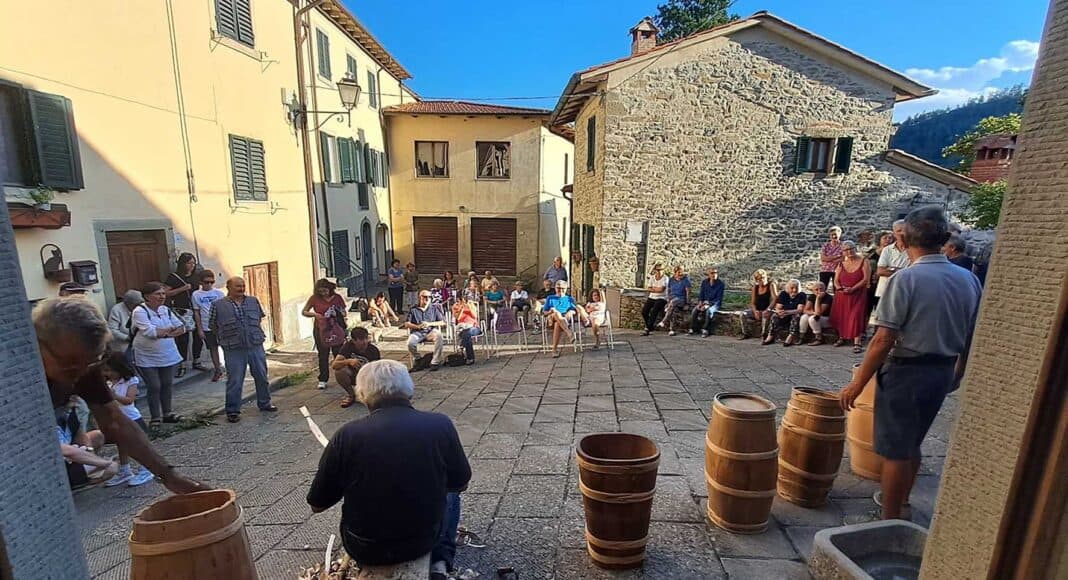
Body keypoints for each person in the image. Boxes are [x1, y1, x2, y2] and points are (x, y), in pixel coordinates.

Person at [840, 207, 982, 522]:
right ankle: (901, 498)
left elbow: (882, 339)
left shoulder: (905, 279)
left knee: (894, 451)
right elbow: (972, 333)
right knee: (913, 440)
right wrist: (959, 370)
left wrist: (857, 383)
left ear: (905, 241)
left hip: (907, 372)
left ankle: (889, 520)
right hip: (942, 371)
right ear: (944, 239)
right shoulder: (969, 279)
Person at [306, 360, 471, 579]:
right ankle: (440, 563)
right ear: (408, 390)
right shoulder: (440, 425)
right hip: (422, 541)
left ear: (362, 393)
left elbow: (317, 504)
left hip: (366, 546)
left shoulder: (347, 435)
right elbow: (461, 483)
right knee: (451, 495)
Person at [34, 297, 205, 494]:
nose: (80, 374)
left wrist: (169, 476)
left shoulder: (83, 366)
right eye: (70, 365)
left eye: (91, 363)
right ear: (38, 345)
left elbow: (114, 421)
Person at [209, 276, 278, 423]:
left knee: (261, 375)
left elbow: (259, 318)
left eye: (242, 286)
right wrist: (227, 337)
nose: (241, 289)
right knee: (235, 379)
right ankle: (233, 411)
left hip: (255, 345)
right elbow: (213, 325)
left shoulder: (253, 301)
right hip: (233, 348)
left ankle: (265, 403)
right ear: (228, 288)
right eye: (237, 286)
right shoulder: (218, 305)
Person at [131, 281, 185, 428]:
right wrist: (168, 331)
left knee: (167, 384)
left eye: (163, 293)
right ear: (147, 296)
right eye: (158, 294)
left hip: (167, 353)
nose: (162, 296)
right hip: (147, 355)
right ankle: (155, 417)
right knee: (154, 385)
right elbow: (150, 332)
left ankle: (167, 413)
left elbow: (181, 327)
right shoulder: (140, 311)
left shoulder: (165, 310)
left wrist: (165, 333)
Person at [101, 352, 155, 487]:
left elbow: (129, 400)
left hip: (131, 418)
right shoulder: (108, 382)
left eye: (109, 370)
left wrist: (114, 396)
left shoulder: (131, 381)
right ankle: (125, 470)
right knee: (121, 444)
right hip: (116, 418)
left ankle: (146, 469)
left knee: (138, 445)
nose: (107, 373)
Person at [303, 279, 348, 390]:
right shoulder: (314, 298)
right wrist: (315, 314)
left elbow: (344, 312)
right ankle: (323, 379)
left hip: (336, 328)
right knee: (323, 354)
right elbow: (304, 311)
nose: (323, 294)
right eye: (321, 291)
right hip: (321, 329)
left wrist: (336, 312)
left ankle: (343, 376)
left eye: (325, 291)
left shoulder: (337, 298)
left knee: (339, 353)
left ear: (330, 289)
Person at [831, 241, 872, 353]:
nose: (849, 251)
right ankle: (842, 337)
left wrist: (853, 288)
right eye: (846, 250)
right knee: (842, 315)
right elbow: (836, 280)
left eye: (851, 248)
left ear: (855, 248)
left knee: (856, 316)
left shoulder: (864, 261)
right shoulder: (841, 264)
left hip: (858, 294)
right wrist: (839, 288)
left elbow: (865, 279)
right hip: (842, 294)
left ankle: (857, 342)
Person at [330, 327, 381, 409]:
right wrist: (348, 361)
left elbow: (378, 370)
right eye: (360, 340)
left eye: (366, 339)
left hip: (369, 378)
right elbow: (334, 365)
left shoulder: (373, 350)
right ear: (353, 340)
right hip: (353, 375)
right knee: (339, 371)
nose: (364, 342)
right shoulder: (347, 347)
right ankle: (351, 395)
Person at [165, 252, 198, 378]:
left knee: (198, 336)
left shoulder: (196, 276)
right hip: (181, 310)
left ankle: (196, 360)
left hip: (195, 309)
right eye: (189, 263)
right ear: (182, 264)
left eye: (193, 263)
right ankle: (182, 364)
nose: (191, 266)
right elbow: (166, 293)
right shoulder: (173, 277)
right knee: (183, 339)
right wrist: (182, 289)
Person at [191, 270, 225, 382]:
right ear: (201, 282)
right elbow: (196, 312)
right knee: (213, 348)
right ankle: (217, 370)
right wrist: (200, 329)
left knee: (226, 347)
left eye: (212, 282)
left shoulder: (219, 294)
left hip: (220, 325)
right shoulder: (196, 295)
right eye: (207, 282)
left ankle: (229, 369)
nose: (210, 284)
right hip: (207, 326)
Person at [405, 290, 445, 372]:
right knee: (410, 343)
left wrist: (429, 324)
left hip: (430, 331)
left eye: (429, 297)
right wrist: (417, 326)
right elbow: (407, 324)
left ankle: (435, 361)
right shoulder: (413, 309)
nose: (427, 299)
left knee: (439, 336)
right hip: (417, 332)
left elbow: (442, 322)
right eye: (425, 297)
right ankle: (418, 358)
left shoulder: (434, 308)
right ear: (420, 298)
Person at [543, 280, 583, 358]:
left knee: (558, 323)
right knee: (556, 313)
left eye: (562, 288)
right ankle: (569, 333)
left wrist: (571, 312)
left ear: (566, 289)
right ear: (555, 288)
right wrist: (551, 311)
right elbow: (544, 312)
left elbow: (575, 310)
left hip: (564, 319)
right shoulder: (550, 298)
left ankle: (554, 350)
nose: (560, 290)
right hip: (551, 319)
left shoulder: (569, 299)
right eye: (558, 288)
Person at [763, 279, 806, 345]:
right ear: (788, 288)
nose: (794, 290)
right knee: (775, 315)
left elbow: (800, 310)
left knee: (796, 316)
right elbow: (778, 307)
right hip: (784, 314)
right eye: (792, 288)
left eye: (796, 288)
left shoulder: (802, 295)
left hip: (793, 314)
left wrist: (787, 312)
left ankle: (791, 336)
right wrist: (779, 312)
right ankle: (770, 336)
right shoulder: (784, 294)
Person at [875, 220, 910, 301]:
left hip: (905, 291)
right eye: (899, 231)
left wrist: (891, 269)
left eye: (904, 230)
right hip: (885, 290)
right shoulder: (887, 250)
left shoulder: (914, 249)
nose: (902, 233)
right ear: (894, 234)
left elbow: (914, 271)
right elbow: (880, 271)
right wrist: (904, 271)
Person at [739, 270, 777, 340]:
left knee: (765, 315)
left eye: (762, 278)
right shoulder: (755, 288)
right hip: (758, 309)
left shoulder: (771, 285)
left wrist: (768, 309)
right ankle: (745, 333)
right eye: (758, 279)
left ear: (766, 277)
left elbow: (775, 299)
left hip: (768, 309)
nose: (761, 280)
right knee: (743, 314)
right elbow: (752, 302)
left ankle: (764, 334)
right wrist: (755, 311)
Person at [107, 289, 143, 362]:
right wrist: (127, 338)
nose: (138, 306)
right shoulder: (117, 310)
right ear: (128, 303)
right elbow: (112, 329)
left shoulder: (142, 309)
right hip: (125, 345)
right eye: (136, 305)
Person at [689, 268, 724, 337]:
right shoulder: (704, 282)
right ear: (709, 275)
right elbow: (701, 294)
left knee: (709, 311)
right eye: (712, 273)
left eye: (715, 273)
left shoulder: (720, 284)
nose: (714, 275)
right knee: (695, 310)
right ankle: (693, 328)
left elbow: (718, 299)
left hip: (715, 304)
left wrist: (707, 304)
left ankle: (705, 329)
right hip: (704, 302)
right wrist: (700, 303)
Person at [659, 265, 692, 336]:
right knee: (672, 309)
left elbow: (688, 293)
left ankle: (664, 321)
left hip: (681, 300)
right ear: (675, 272)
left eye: (681, 272)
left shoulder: (686, 280)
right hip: (672, 300)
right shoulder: (671, 280)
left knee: (673, 303)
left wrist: (688, 303)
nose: (680, 274)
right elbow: (669, 291)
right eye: (678, 272)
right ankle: (672, 330)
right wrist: (668, 301)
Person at [640, 263, 670, 336]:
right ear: (655, 270)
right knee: (644, 311)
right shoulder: (652, 278)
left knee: (654, 310)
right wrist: (655, 289)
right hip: (652, 297)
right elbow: (649, 288)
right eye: (658, 270)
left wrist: (653, 289)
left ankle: (648, 328)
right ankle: (650, 326)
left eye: (661, 270)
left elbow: (661, 290)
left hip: (662, 297)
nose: (659, 271)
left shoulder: (665, 278)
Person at [452, 298, 482, 365]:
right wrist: (462, 309)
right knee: (467, 334)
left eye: (463, 300)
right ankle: (470, 358)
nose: (462, 302)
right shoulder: (455, 307)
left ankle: (462, 347)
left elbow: (475, 316)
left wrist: (470, 306)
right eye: (460, 301)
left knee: (467, 333)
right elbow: (458, 318)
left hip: (474, 327)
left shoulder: (471, 304)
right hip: (462, 329)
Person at [820, 226, 845, 291]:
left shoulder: (843, 245)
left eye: (835, 234)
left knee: (837, 289)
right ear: (830, 236)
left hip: (837, 270)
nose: (834, 236)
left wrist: (829, 258)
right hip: (825, 270)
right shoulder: (825, 245)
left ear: (839, 235)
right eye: (832, 235)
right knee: (822, 288)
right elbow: (823, 258)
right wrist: (837, 256)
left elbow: (844, 258)